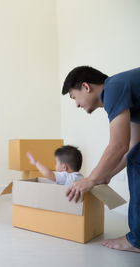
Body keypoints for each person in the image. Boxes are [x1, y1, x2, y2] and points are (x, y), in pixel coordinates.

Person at [62, 66, 140, 253]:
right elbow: (132, 145)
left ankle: (137, 240)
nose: (77, 105)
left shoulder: (113, 87)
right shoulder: (126, 91)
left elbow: (118, 145)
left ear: (86, 87)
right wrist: (107, 175)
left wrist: (91, 180)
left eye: (74, 97)